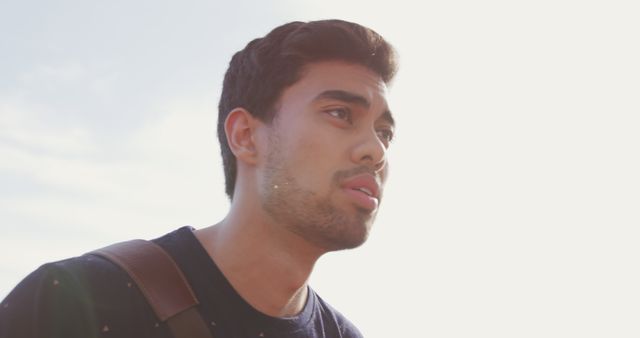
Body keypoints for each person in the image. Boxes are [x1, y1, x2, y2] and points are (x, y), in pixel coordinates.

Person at [0, 19, 397, 338]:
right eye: (340, 113)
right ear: (246, 136)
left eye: (385, 133)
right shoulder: (76, 303)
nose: (375, 151)